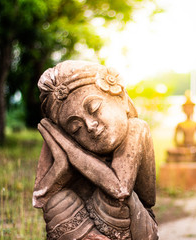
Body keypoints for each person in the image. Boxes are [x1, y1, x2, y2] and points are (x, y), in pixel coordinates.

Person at [33, 60, 158, 240]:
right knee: (57, 202)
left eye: (94, 108)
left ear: (120, 98)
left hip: (135, 224)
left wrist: (71, 150)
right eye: (76, 128)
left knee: (113, 199)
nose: (90, 126)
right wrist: (60, 157)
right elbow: (40, 197)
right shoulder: (66, 139)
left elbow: (120, 189)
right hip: (86, 228)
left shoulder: (136, 129)